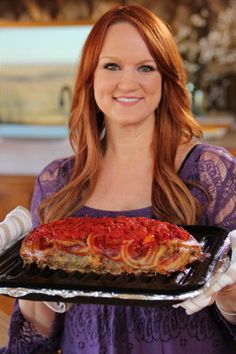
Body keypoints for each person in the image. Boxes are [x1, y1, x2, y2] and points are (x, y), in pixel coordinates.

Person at [1, 5, 236, 354]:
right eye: (111, 66)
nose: (129, 83)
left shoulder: (212, 172)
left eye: (146, 67)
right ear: (90, 77)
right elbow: (33, 343)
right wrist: (29, 288)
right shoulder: (57, 182)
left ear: (166, 79)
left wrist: (230, 296)